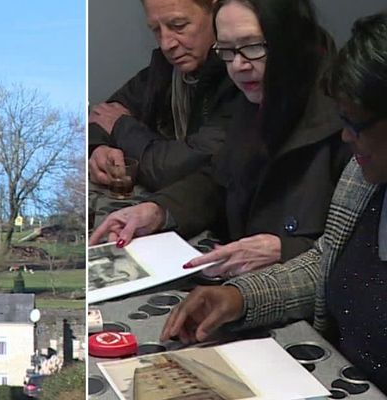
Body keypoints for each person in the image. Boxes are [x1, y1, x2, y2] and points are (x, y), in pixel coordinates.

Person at [161, 11, 387, 392]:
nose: (346, 138)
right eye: (227, 51)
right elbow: (324, 265)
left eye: (355, 124)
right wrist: (240, 298)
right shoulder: (362, 179)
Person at [90, 0, 350, 278]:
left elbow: (360, 257)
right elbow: (219, 180)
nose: (238, 65)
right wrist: (159, 211)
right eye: (226, 51)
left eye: (252, 46)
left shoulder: (348, 122)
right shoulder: (257, 98)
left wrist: (286, 249)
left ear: (293, 39)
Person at [89, 0, 239, 191]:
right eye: (156, 30)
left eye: (178, 26)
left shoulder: (241, 79)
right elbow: (101, 116)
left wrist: (120, 127)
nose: (166, 44)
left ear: (217, 12)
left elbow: (184, 168)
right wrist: (99, 150)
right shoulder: (162, 71)